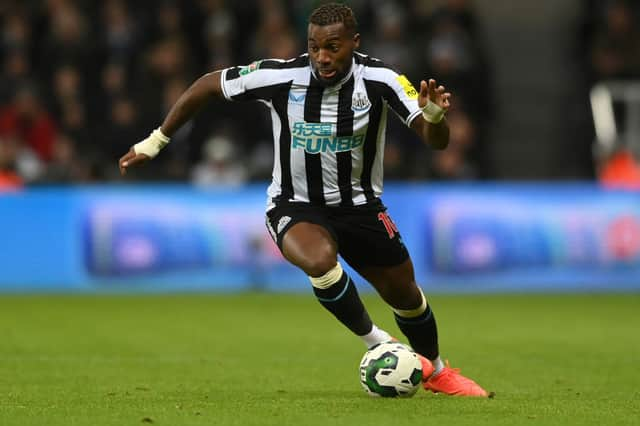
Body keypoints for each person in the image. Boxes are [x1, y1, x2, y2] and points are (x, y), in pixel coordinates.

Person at [119, 3, 488, 397]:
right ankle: (379, 342)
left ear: (354, 43)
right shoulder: (282, 77)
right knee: (319, 262)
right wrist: (156, 140)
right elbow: (209, 84)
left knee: (407, 296)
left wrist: (434, 118)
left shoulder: (382, 79)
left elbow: (437, 142)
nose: (322, 57)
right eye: (314, 47)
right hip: (295, 205)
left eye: (333, 47)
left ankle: (438, 371)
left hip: (361, 207)